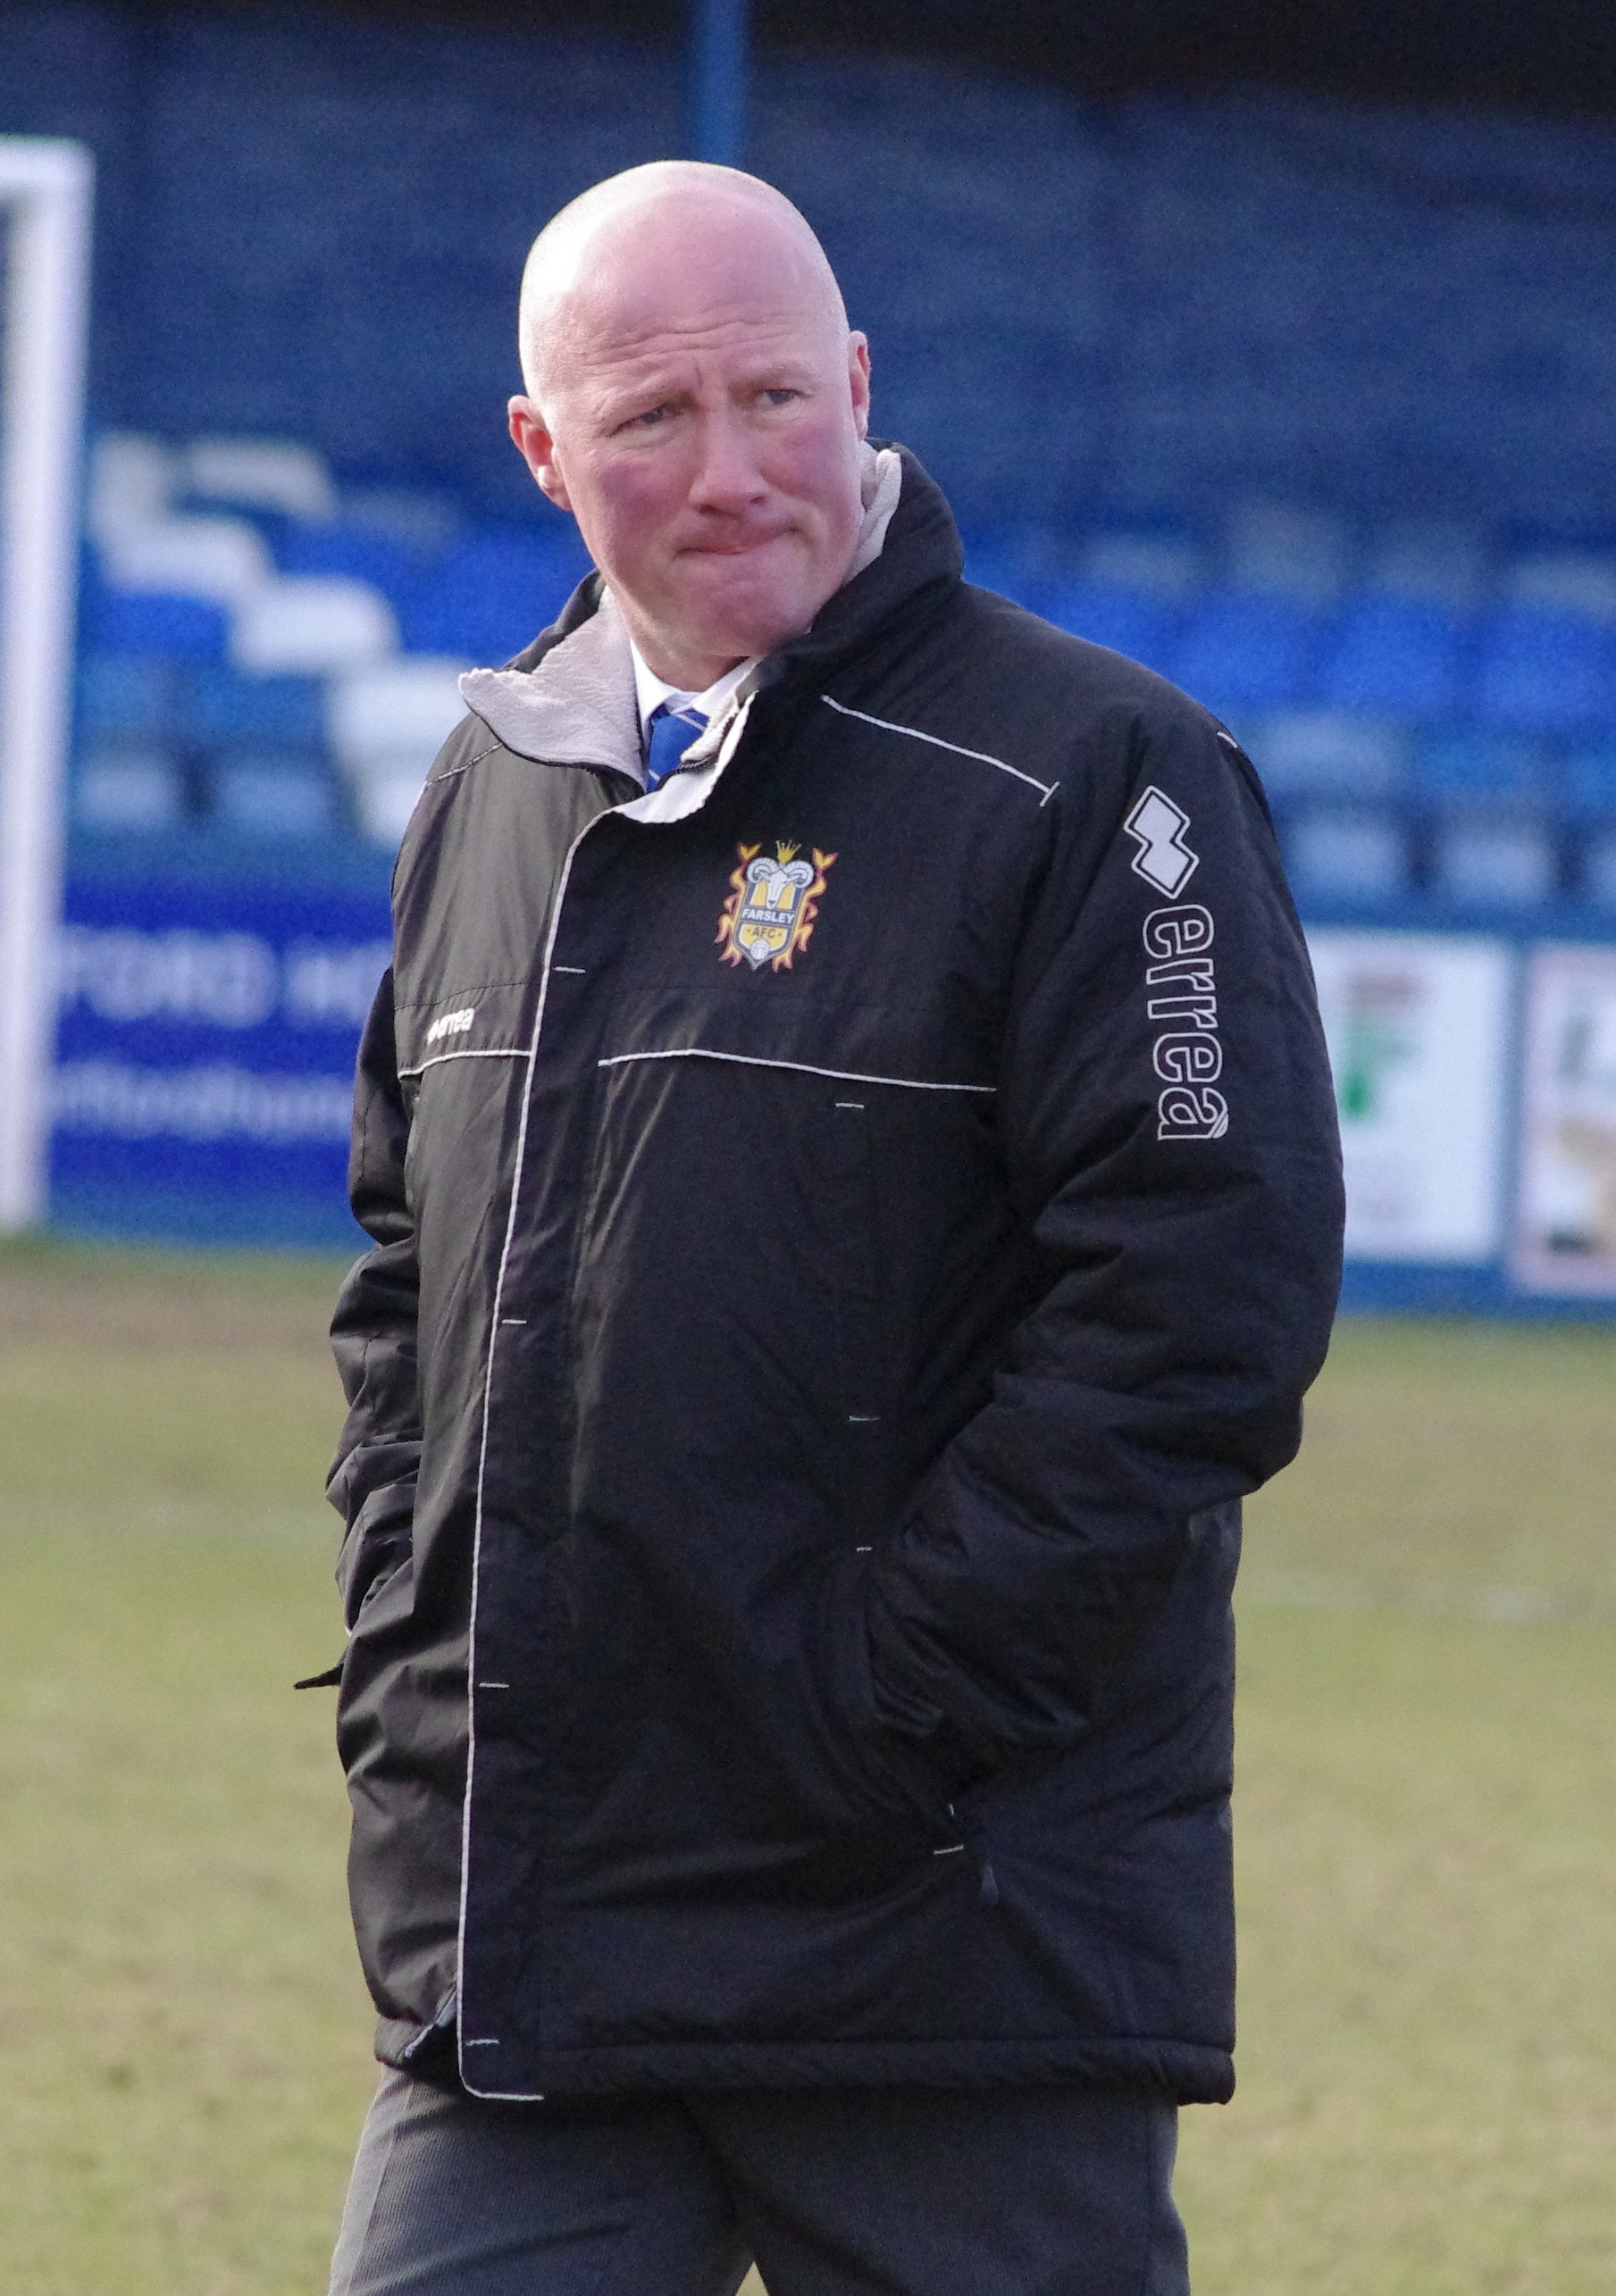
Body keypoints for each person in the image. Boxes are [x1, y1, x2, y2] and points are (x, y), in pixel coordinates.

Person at [321, 161, 1344, 2296]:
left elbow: (1198, 1306)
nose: (728, 475)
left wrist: (880, 1699)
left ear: (860, 384)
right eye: (648, 421)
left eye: (775, 398)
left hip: (939, 1934)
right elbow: (401, 1283)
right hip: (545, 1947)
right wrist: (418, 1670)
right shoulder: (494, 778)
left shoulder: (1103, 779)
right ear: (541, 448)